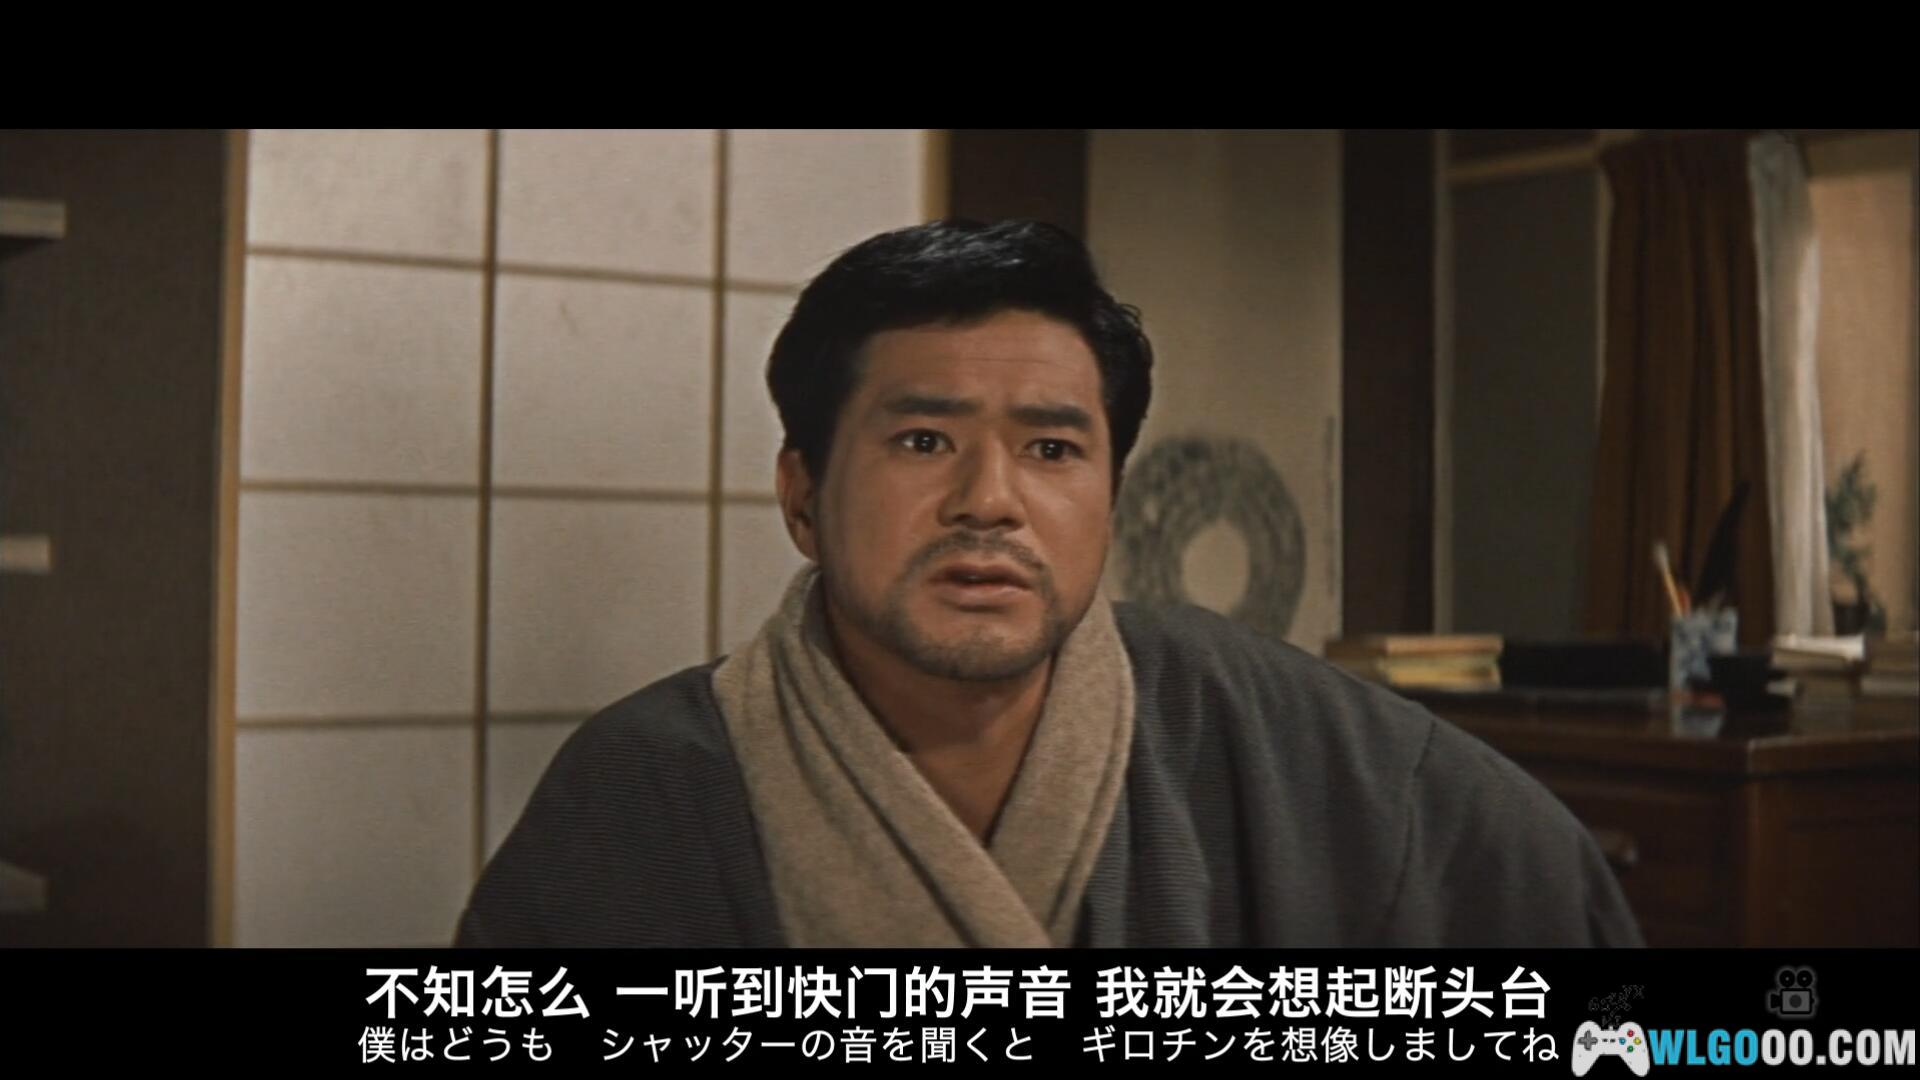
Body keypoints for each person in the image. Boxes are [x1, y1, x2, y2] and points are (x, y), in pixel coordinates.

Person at [455, 219, 1643, 948]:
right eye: (924, 440)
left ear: (1110, 495)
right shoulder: (646, 787)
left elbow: (1546, 901)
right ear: (803, 495)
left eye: (1052, 448)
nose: (990, 499)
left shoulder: (1270, 728)